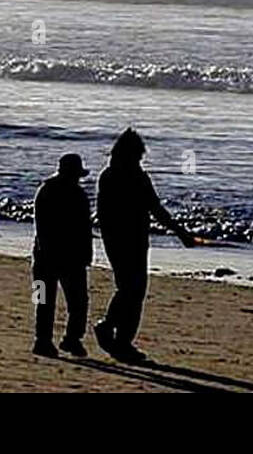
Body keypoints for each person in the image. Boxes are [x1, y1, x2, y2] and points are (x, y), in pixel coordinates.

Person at [93, 128, 195, 363]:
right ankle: (118, 336)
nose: (140, 160)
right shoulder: (137, 177)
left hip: (115, 238)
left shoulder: (107, 176)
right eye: (138, 156)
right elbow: (156, 209)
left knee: (126, 287)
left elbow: (102, 212)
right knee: (134, 290)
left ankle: (112, 330)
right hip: (134, 239)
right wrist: (181, 232)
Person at [32, 153, 93, 358]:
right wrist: (86, 254)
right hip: (63, 257)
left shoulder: (46, 190)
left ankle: (50, 340)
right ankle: (67, 339)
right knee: (76, 301)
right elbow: (84, 229)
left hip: (46, 257)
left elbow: (41, 228)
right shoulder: (76, 194)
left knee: (47, 301)